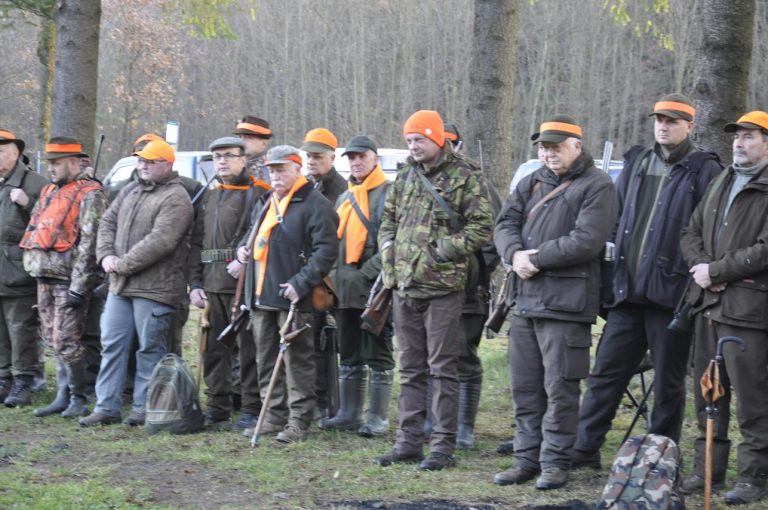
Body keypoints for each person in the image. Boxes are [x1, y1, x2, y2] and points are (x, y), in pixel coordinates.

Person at [573, 94, 723, 468]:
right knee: (605, 374)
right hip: (628, 295)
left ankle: (660, 457)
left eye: (673, 121)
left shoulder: (703, 169)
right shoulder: (638, 161)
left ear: (690, 125)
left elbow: (708, 232)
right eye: (659, 119)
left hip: (671, 297)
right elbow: (617, 218)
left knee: (668, 385)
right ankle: (584, 449)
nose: (664, 126)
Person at [493, 116, 618, 489]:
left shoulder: (598, 185)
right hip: (526, 302)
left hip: (567, 305)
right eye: (543, 147)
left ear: (577, 146)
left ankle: (555, 463)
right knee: (525, 388)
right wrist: (514, 254)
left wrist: (535, 258)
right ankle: (526, 459)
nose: (548, 153)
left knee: (561, 389)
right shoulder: (530, 181)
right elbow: (504, 223)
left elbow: (587, 240)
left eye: (556, 146)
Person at [374, 110, 494, 471]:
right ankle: (407, 443)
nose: (413, 146)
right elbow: (388, 220)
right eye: (409, 140)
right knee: (410, 368)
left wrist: (439, 252)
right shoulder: (406, 175)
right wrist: (388, 253)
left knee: (443, 369)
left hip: (443, 288)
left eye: (419, 140)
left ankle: (442, 446)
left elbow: (482, 229)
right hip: (404, 287)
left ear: (437, 138)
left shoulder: (467, 175)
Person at [679, 110, 768, 506]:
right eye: (737, 136)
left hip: (748, 312)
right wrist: (702, 270)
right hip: (707, 305)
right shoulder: (722, 180)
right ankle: (706, 471)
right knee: (707, 396)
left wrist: (716, 269)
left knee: (753, 401)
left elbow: (765, 250)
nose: (739, 142)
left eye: (749, 137)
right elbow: (690, 231)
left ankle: (753, 479)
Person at [80, 139, 193, 427]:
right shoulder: (130, 190)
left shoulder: (176, 197)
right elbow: (106, 223)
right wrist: (105, 255)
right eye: (140, 160)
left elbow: (162, 240)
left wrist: (122, 265)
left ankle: (144, 408)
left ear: (167, 165)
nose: (142, 165)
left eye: (150, 161)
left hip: (155, 289)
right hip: (121, 285)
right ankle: (106, 407)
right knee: (112, 344)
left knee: (150, 350)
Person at [236, 145, 338, 443]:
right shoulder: (267, 201)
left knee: (298, 361)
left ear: (297, 169)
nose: (276, 175)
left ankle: (298, 421)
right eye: (272, 169)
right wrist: (244, 247)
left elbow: (327, 251)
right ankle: (272, 416)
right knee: (266, 359)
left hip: (294, 296)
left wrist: (301, 282)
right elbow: (254, 235)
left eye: (282, 169)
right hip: (261, 294)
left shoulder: (316, 204)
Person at [20, 137, 106, 417]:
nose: (52, 169)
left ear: (73, 162)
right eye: (50, 163)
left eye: (56, 163)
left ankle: (79, 398)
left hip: (69, 281)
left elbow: (90, 243)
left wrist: (80, 285)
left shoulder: (91, 193)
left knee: (68, 340)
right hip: (43, 276)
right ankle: (62, 395)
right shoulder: (48, 191)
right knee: (50, 338)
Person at [188, 136, 269, 430]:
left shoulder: (260, 193)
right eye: (217, 157)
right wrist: (194, 282)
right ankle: (217, 408)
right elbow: (196, 243)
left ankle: (250, 407)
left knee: (248, 351)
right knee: (213, 351)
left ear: (243, 159)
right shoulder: (208, 197)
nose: (222, 161)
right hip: (210, 284)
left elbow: (261, 234)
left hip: (243, 285)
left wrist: (244, 260)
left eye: (228, 155)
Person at [319, 135, 394, 436]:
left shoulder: (389, 193)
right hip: (343, 288)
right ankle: (349, 413)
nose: (356, 162)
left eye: (361, 156)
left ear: (375, 158)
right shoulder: (344, 197)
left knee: (377, 351)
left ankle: (377, 417)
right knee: (348, 351)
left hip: (373, 287)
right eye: (351, 158)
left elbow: (394, 242)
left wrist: (367, 274)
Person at [300, 127, 347, 421]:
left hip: (329, 277)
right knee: (308, 340)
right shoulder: (305, 186)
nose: (311, 160)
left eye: (318, 156)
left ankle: (326, 402)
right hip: (307, 274)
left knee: (325, 343)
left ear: (332, 156)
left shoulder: (340, 190)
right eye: (308, 155)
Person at [0, 130, 46, 407]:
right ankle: (3, 379)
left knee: (21, 330)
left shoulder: (34, 184)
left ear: (15, 152)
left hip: (19, 272)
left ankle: (23, 384)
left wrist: (28, 204)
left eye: (1, 150)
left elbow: (49, 225)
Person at [234, 116, 272, 185]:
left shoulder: (270, 170)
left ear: (264, 143)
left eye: (248, 138)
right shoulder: (235, 167)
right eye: (240, 137)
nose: (241, 141)